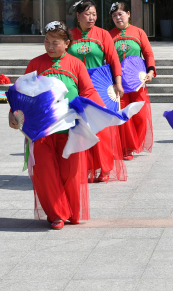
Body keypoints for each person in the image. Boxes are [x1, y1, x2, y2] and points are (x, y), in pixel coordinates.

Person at [8, 22, 104, 230]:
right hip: (40, 130)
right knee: (45, 172)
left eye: (55, 43)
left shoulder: (76, 64)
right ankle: (57, 215)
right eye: (47, 41)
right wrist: (12, 112)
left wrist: (101, 112)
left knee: (70, 172)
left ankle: (72, 211)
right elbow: (21, 93)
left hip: (70, 128)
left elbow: (88, 91)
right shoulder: (35, 64)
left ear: (67, 43)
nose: (50, 46)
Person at [68, 0, 126, 183]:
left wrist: (118, 82)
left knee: (101, 128)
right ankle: (83, 166)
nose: (91, 18)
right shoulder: (70, 35)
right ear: (78, 16)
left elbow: (114, 60)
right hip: (76, 86)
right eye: (87, 14)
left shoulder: (103, 34)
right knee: (80, 127)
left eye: (94, 14)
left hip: (98, 86)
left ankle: (105, 168)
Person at [109, 2, 156, 161]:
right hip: (118, 82)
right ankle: (127, 147)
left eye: (120, 14)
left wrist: (150, 72)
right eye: (114, 16)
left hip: (136, 83)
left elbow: (148, 54)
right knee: (123, 115)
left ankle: (135, 142)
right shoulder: (109, 35)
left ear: (128, 14)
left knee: (140, 116)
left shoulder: (139, 32)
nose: (118, 18)